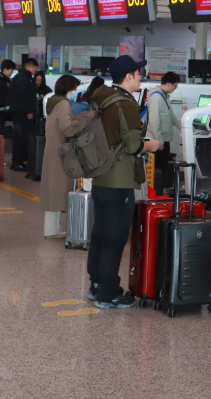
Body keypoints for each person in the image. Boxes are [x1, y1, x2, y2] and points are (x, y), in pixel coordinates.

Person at [87, 56, 160, 308]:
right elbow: (132, 145)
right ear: (128, 77)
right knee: (115, 238)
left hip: (100, 176)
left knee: (100, 232)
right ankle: (108, 294)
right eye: (139, 74)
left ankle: (96, 284)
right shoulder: (125, 104)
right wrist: (152, 144)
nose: (141, 77)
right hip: (119, 180)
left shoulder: (101, 97)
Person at [40, 75, 80, 238]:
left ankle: (53, 227)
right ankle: (51, 230)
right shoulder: (63, 104)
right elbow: (66, 127)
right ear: (68, 88)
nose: (75, 92)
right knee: (58, 189)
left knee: (52, 189)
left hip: (52, 148)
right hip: (61, 151)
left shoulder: (53, 102)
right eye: (74, 88)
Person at [146, 71, 181, 187]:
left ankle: (160, 192)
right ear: (169, 84)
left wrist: (186, 126)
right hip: (157, 142)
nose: (175, 89)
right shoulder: (156, 97)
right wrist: (159, 141)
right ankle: (156, 195)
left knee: (163, 169)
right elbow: (154, 121)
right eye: (175, 86)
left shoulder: (164, 96)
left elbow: (172, 117)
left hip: (163, 141)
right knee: (158, 171)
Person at [8, 58, 39, 171]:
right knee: (20, 138)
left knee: (20, 138)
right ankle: (17, 162)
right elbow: (25, 97)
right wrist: (29, 111)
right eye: (35, 68)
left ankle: (18, 161)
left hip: (19, 113)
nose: (35, 71)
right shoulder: (24, 79)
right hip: (22, 114)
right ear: (29, 67)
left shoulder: (22, 78)